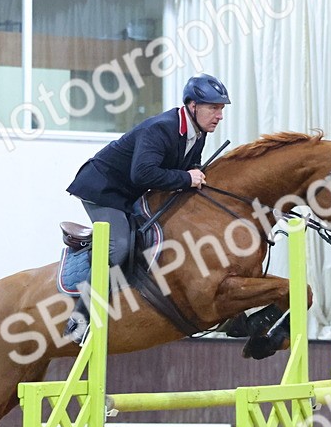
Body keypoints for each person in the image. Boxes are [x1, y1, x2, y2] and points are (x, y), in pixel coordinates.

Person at [64, 73, 230, 342]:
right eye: (214, 107)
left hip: (130, 193)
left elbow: (188, 167)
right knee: (119, 245)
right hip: (103, 189)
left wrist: (195, 175)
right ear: (192, 106)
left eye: (221, 109)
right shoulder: (161, 128)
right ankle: (79, 321)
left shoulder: (198, 133)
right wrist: (187, 178)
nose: (219, 115)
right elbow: (143, 174)